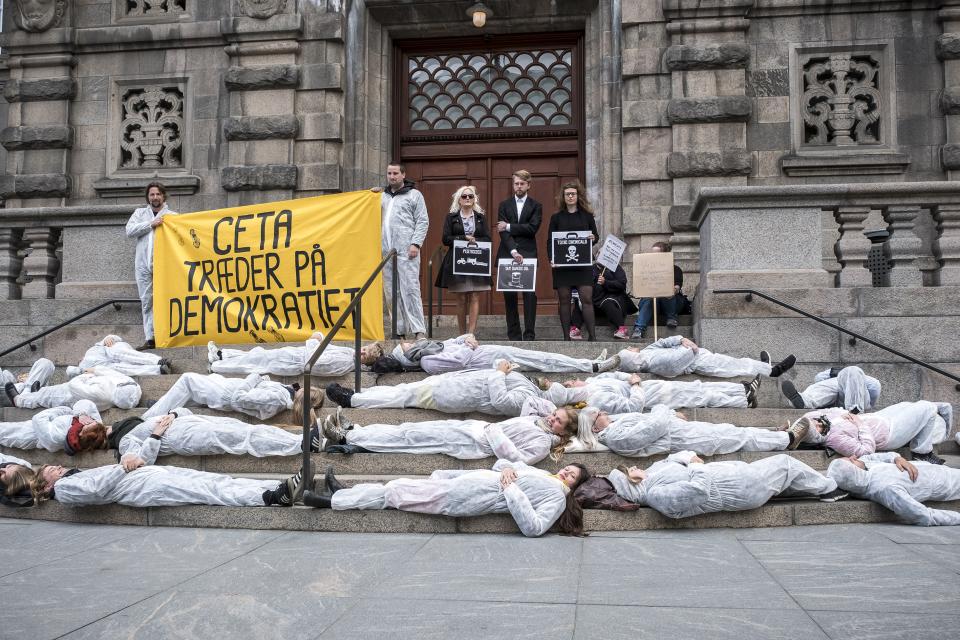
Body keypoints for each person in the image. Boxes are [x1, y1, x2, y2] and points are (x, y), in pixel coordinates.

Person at [302, 461, 591, 537]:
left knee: (395, 491)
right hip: (466, 483)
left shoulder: (556, 494)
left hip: (468, 496)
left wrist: (510, 488)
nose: (566, 472)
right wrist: (506, 469)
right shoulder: (544, 474)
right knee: (398, 486)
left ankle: (332, 501)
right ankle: (342, 493)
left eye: (572, 476)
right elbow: (506, 465)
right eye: (568, 468)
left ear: (573, 487)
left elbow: (534, 527)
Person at [320, 404, 580, 465]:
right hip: (470, 428)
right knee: (409, 429)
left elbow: (517, 460)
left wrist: (494, 432)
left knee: (410, 438)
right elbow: (535, 403)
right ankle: (355, 430)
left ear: (564, 431)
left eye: (558, 421)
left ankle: (347, 438)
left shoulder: (543, 443)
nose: (552, 418)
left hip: (475, 441)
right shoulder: (538, 420)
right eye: (554, 414)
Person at [608, 451, 846, 517]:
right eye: (629, 470)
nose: (633, 466)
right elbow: (698, 491)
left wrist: (687, 458)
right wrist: (695, 465)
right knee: (785, 464)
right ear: (633, 481)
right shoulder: (656, 495)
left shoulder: (653, 473)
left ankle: (822, 485)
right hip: (739, 490)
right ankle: (830, 489)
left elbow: (674, 456)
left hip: (735, 476)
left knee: (785, 477)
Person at [324, 360, 568, 417]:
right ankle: (359, 394)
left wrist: (499, 374)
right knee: (403, 387)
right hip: (457, 381)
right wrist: (501, 368)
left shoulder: (527, 398)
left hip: (456, 395)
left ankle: (352, 401)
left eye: (550, 385)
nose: (546, 380)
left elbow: (501, 401)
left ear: (548, 394)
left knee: (404, 395)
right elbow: (498, 366)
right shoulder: (526, 383)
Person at [30, 461, 314, 508]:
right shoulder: (64, 489)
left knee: (216, 480)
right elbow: (94, 491)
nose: (54, 468)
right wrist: (121, 466)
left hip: (148, 477)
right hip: (145, 488)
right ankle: (271, 497)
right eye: (48, 472)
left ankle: (281, 487)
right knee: (209, 491)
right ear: (45, 487)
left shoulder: (70, 478)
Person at [578, 405, 810, 457]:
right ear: (595, 426)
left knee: (732, 431)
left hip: (682, 432)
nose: (606, 413)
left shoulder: (612, 427)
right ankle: (786, 439)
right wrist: (665, 410)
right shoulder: (615, 436)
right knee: (734, 437)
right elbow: (653, 426)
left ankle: (774, 435)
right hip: (682, 438)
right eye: (600, 414)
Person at [112, 410, 317, 466]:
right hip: (182, 437)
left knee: (244, 428)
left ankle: (309, 440)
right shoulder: (124, 441)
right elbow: (141, 460)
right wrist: (156, 434)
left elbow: (182, 410)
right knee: (241, 436)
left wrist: (173, 414)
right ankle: (300, 443)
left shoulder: (144, 422)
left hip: (193, 422)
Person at [794, 400, 951, 464]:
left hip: (880, 417)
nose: (818, 423)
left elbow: (817, 414)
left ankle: (927, 433)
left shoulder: (818, 419)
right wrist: (860, 423)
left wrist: (843, 412)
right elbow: (867, 450)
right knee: (928, 408)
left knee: (912, 404)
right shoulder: (835, 439)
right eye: (817, 429)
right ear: (817, 436)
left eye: (816, 423)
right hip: (890, 432)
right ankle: (922, 453)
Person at [827, 453, 960, 526]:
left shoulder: (866, 466)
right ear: (853, 471)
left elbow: (875, 456)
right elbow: (922, 515)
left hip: (938, 469)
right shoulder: (885, 490)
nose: (853, 457)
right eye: (851, 461)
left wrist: (897, 458)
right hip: (948, 483)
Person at [538, 371, 764, 413]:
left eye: (572, 379)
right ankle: (743, 400)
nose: (574, 380)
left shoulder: (591, 381)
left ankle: (741, 388)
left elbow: (614, 375)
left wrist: (629, 377)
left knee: (696, 387)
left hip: (643, 386)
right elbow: (631, 407)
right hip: (647, 396)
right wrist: (635, 386)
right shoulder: (595, 399)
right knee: (698, 395)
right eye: (570, 383)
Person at [378, 162, 428, 339]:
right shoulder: (381, 196)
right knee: (391, 291)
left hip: (407, 249)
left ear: (403, 175)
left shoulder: (414, 195)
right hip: (386, 250)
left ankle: (418, 329)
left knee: (410, 288)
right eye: (389, 173)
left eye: (395, 173)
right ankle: (398, 330)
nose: (392, 176)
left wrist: (416, 243)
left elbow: (422, 221)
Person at [414, 333, 621, 375]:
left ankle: (588, 363)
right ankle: (591, 366)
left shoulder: (433, 347)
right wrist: (467, 345)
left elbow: (459, 339)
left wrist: (466, 339)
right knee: (543, 360)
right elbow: (460, 361)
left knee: (542, 359)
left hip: (496, 353)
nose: (408, 342)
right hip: (492, 362)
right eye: (405, 346)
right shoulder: (428, 361)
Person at [125, 181, 177, 350]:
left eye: (158, 194)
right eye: (152, 194)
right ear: (148, 197)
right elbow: (129, 231)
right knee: (147, 301)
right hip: (143, 265)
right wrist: (151, 224)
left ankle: (168, 334)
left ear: (163, 196)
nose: (155, 197)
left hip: (165, 266)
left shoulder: (173, 216)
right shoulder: (140, 213)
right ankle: (150, 338)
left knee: (167, 299)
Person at [435, 186, 492, 335]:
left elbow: (488, 238)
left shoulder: (480, 217)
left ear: (474, 200)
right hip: (458, 261)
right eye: (464, 196)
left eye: (470, 196)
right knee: (460, 297)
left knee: (474, 295)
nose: (467, 198)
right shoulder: (451, 217)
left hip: (476, 260)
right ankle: (462, 335)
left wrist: (475, 241)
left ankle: (471, 334)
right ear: (459, 200)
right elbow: (446, 239)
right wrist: (462, 238)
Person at [141, 372, 307, 421]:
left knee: (187, 380)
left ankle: (144, 420)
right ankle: (162, 406)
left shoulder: (278, 398)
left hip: (226, 393)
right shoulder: (284, 394)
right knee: (188, 393)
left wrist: (256, 377)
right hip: (226, 387)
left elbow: (239, 398)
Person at [549, 181, 599, 341]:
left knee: (587, 299)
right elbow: (550, 241)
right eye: (567, 194)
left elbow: (595, 236)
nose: (570, 196)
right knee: (564, 301)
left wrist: (593, 237)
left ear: (578, 196)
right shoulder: (556, 218)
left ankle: (593, 337)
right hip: (562, 266)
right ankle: (566, 338)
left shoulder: (587, 216)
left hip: (583, 265)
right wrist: (552, 259)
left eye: (573, 194)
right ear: (563, 197)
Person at [497, 170, 542, 341]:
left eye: (522, 183)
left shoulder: (536, 206)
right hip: (508, 254)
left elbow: (532, 229)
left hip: (529, 255)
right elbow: (502, 233)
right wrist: (513, 251)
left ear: (528, 185)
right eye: (516, 183)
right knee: (509, 295)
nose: (519, 186)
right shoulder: (504, 205)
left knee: (529, 295)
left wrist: (508, 226)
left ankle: (529, 334)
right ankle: (514, 335)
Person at [618, 335, 795, 379]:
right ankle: (772, 371)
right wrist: (689, 349)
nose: (631, 347)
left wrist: (681, 339)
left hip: (697, 354)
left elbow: (664, 342)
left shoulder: (647, 350)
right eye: (629, 350)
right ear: (632, 358)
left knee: (733, 362)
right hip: (696, 361)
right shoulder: (652, 362)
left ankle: (764, 367)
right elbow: (674, 364)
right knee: (732, 366)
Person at [207, 333, 383, 376]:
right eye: (364, 349)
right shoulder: (349, 353)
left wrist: (314, 341)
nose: (361, 351)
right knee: (258, 354)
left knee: (256, 362)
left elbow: (316, 364)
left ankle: (218, 365)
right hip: (295, 356)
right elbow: (325, 348)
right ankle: (222, 355)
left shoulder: (346, 364)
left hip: (295, 361)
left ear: (365, 361)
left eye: (364, 354)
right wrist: (319, 338)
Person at [8, 366, 141, 411]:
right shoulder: (131, 386)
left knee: (48, 397)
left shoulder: (104, 396)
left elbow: (74, 386)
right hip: (90, 383)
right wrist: (94, 370)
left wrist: (85, 375)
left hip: (72, 396)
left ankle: (19, 400)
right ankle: (35, 393)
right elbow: (111, 373)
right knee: (46, 392)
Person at [630, 241, 688, 339]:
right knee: (648, 298)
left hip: (670, 303)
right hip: (653, 303)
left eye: (656, 254)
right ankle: (639, 329)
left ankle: (671, 318)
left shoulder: (675, 269)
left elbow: (677, 288)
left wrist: (670, 289)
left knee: (667, 293)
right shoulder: (646, 269)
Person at [571, 261, 637, 340]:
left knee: (608, 303)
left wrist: (606, 282)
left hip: (611, 299)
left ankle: (622, 329)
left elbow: (622, 284)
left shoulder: (615, 267)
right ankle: (575, 329)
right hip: (594, 302)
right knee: (581, 302)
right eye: (599, 254)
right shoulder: (591, 268)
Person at [780, 365, 880, 413]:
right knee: (830, 384)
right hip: (836, 400)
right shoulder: (835, 380)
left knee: (852, 371)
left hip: (862, 401)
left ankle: (855, 410)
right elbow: (818, 378)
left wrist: (848, 380)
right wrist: (837, 376)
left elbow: (875, 388)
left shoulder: (866, 379)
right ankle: (802, 400)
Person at [72, 334, 171, 377]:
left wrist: (109, 338)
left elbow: (116, 338)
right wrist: (83, 370)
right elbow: (71, 372)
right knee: (122, 369)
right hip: (107, 366)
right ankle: (159, 369)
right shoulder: (83, 368)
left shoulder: (92, 349)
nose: (79, 360)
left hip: (112, 350)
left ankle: (157, 361)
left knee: (121, 353)